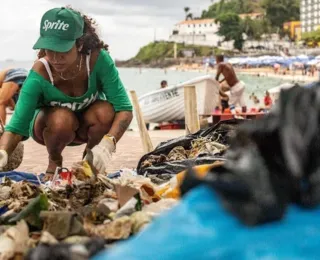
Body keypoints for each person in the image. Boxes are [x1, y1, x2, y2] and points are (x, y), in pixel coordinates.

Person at [0, 7, 133, 180]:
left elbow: (124, 108)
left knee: (105, 112)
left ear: (80, 44)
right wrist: (3, 152)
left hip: (87, 125)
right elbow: (16, 126)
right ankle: (54, 162)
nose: (55, 58)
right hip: (51, 128)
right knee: (61, 119)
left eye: (62, 50)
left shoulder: (98, 60)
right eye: (49, 49)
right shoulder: (40, 73)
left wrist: (108, 143)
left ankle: (90, 163)